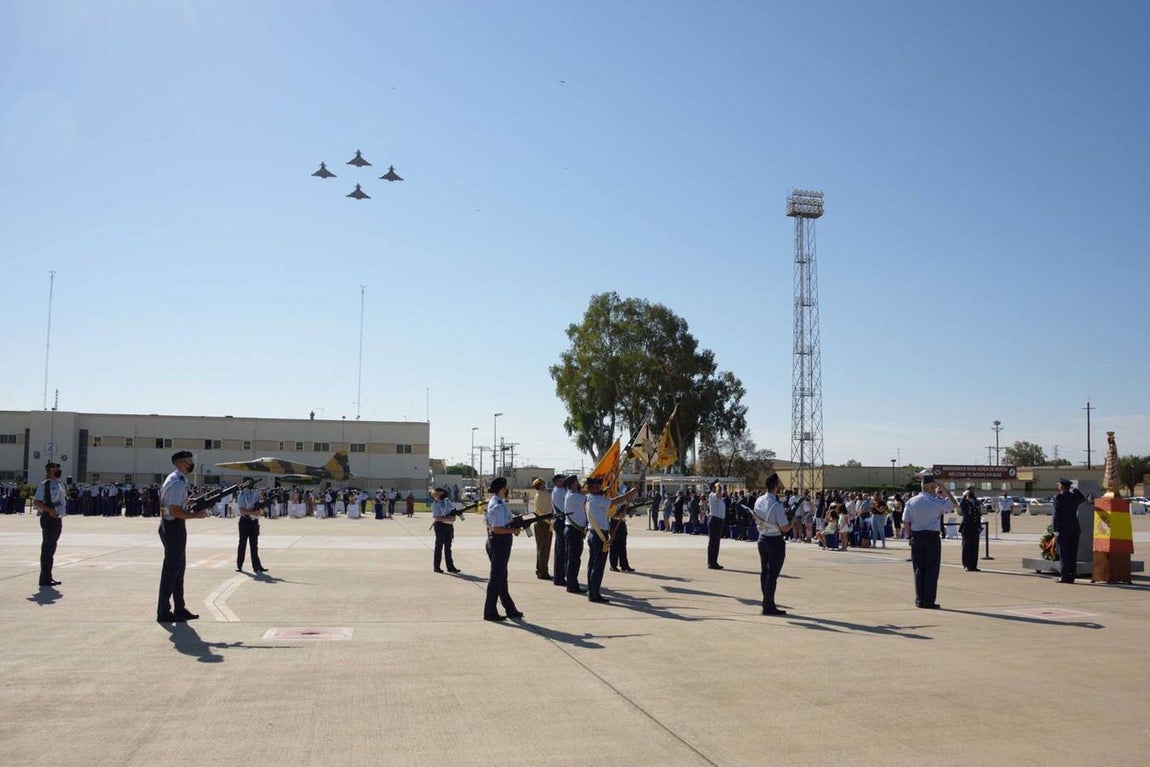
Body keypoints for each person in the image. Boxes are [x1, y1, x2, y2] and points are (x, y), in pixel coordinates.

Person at [157, 451, 208, 623]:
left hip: (172, 526)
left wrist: (194, 501)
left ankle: (179, 608)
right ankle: (163, 611)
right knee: (171, 571)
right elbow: (174, 510)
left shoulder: (176, 479)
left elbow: (178, 503)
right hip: (173, 527)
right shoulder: (177, 482)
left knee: (178, 570)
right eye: (188, 462)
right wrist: (195, 516)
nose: (191, 464)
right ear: (181, 464)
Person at [902, 474, 956, 609]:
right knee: (931, 570)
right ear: (932, 486)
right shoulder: (937, 501)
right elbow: (954, 504)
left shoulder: (911, 501)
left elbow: (906, 521)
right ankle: (929, 600)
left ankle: (920, 599)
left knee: (919, 569)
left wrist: (909, 537)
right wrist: (944, 489)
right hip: (931, 537)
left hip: (917, 536)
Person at [584, 476, 637, 604]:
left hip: (594, 533)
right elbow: (614, 501)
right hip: (599, 535)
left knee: (592, 564)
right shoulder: (597, 500)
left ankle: (592, 590)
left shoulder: (589, 498)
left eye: (600, 485)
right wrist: (629, 494)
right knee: (598, 565)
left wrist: (604, 492)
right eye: (597, 486)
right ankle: (594, 594)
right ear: (591, 488)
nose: (599, 487)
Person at [752, 473, 793, 615]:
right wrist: (793, 521)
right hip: (774, 540)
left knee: (765, 572)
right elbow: (785, 528)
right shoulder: (776, 505)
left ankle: (767, 602)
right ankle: (768, 605)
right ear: (775, 487)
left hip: (762, 538)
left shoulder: (759, 501)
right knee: (772, 574)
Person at [482, 477, 522, 621]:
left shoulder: (498, 502)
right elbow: (497, 528)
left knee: (501, 578)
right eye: (505, 487)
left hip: (498, 542)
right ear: (501, 488)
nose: (507, 490)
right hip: (499, 542)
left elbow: (503, 523)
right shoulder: (497, 505)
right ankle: (490, 611)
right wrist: (512, 531)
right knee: (496, 579)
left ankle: (510, 609)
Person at [32, 461, 67, 587]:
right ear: (49, 471)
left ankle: (48, 576)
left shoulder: (59, 484)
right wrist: (49, 510)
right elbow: (36, 502)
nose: (58, 469)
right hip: (49, 518)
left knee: (51, 549)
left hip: (57, 518)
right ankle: (44, 579)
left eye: (58, 467)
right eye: (55, 468)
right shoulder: (45, 485)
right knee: (47, 549)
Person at [1052, 478, 1086, 584]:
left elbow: (1056, 514)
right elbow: (1082, 498)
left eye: (1059, 485)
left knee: (1064, 554)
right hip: (1074, 529)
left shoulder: (1058, 497)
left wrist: (1055, 529)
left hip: (1063, 529)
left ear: (1061, 486)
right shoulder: (1074, 497)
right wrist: (1075, 490)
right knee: (1072, 553)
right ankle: (1071, 576)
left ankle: (1065, 576)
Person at [235, 477, 267, 573]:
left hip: (254, 522)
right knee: (242, 544)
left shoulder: (256, 493)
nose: (251, 484)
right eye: (249, 482)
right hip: (244, 522)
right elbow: (242, 510)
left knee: (254, 545)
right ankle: (239, 565)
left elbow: (258, 505)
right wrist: (253, 512)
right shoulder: (241, 495)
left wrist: (260, 509)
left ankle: (257, 566)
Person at [563, 476, 587, 594]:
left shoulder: (572, 494)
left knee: (572, 559)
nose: (579, 483)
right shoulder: (573, 496)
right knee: (574, 559)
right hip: (574, 531)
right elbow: (587, 499)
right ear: (573, 483)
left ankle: (572, 583)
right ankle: (572, 585)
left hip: (573, 530)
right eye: (577, 482)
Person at [431, 487, 461, 574]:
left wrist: (455, 514)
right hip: (440, 526)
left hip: (449, 526)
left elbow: (453, 511)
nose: (437, 494)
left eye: (439, 493)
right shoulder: (436, 504)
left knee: (448, 547)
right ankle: (437, 567)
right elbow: (437, 517)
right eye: (436, 493)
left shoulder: (448, 501)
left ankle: (450, 567)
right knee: (439, 546)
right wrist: (448, 519)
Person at [530, 477, 553, 580]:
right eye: (543, 484)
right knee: (544, 549)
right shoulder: (545, 495)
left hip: (538, 522)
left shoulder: (537, 495)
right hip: (545, 523)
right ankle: (543, 571)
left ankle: (540, 569)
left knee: (540, 548)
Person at [551, 473, 569, 587]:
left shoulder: (561, 490)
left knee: (561, 549)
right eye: (561, 481)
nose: (563, 482)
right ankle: (559, 577)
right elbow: (565, 508)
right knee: (561, 550)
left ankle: (560, 576)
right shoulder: (559, 491)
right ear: (556, 482)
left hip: (560, 520)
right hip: (561, 520)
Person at [959, 488, 982, 572]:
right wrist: (964, 496)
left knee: (974, 547)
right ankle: (966, 565)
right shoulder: (965, 503)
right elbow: (961, 506)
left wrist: (979, 526)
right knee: (966, 547)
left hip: (975, 527)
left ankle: (973, 565)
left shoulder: (976, 502)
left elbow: (978, 514)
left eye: (973, 492)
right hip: (967, 527)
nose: (972, 493)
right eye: (970, 492)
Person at [706, 481, 727, 569]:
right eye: (718, 487)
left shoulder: (719, 498)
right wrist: (717, 485)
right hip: (714, 520)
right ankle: (711, 562)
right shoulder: (712, 495)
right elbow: (718, 494)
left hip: (719, 521)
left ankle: (714, 562)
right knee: (713, 543)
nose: (720, 489)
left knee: (716, 543)